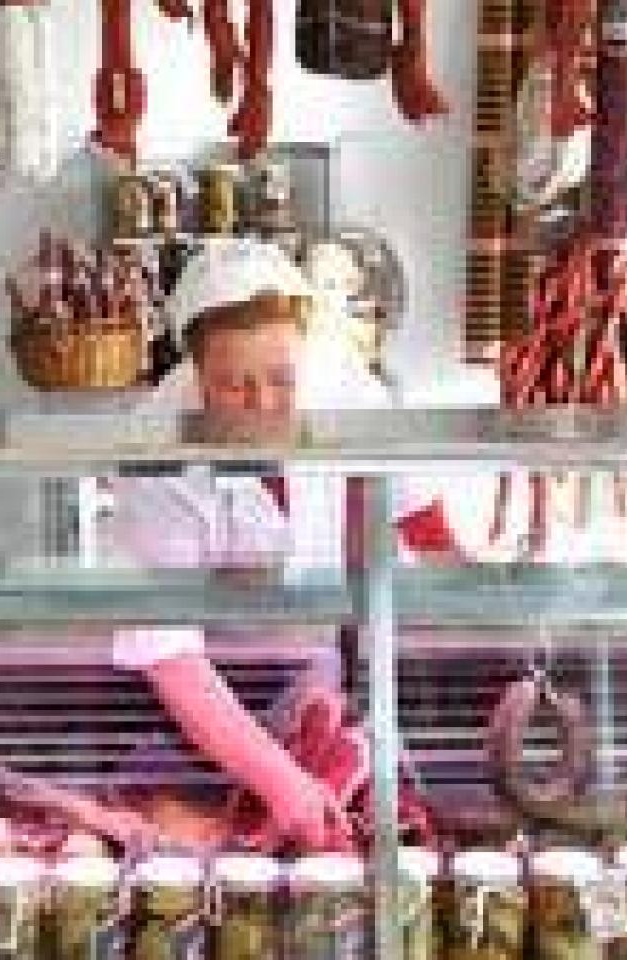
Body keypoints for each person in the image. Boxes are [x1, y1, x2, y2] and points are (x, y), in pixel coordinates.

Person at [108, 240, 462, 851]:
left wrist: (488, 627)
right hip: (205, 704)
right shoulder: (154, 450)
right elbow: (167, 649)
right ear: (194, 368)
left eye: (280, 379)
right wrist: (280, 781)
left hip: (316, 685)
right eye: (233, 386)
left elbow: (417, 514)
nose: (263, 405)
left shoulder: (341, 382)